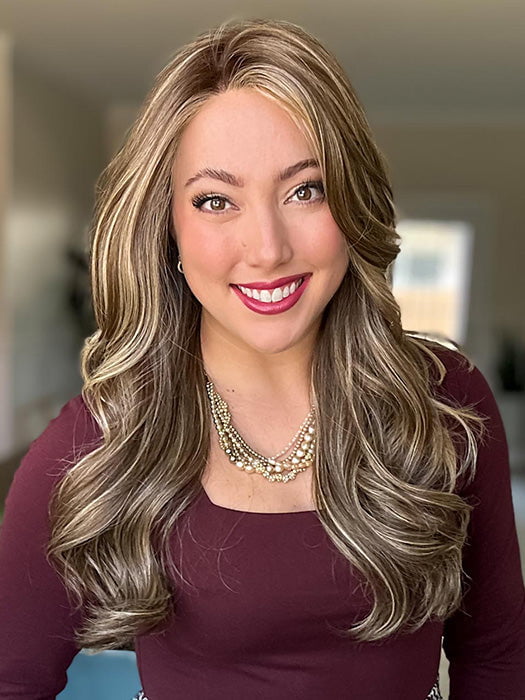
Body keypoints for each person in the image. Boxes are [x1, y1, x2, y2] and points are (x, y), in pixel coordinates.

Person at [0, 17, 524, 700]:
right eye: (216, 201)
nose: (268, 248)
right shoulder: (98, 442)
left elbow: (497, 655)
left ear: (353, 202)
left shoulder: (445, 398)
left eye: (306, 189)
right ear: (167, 229)